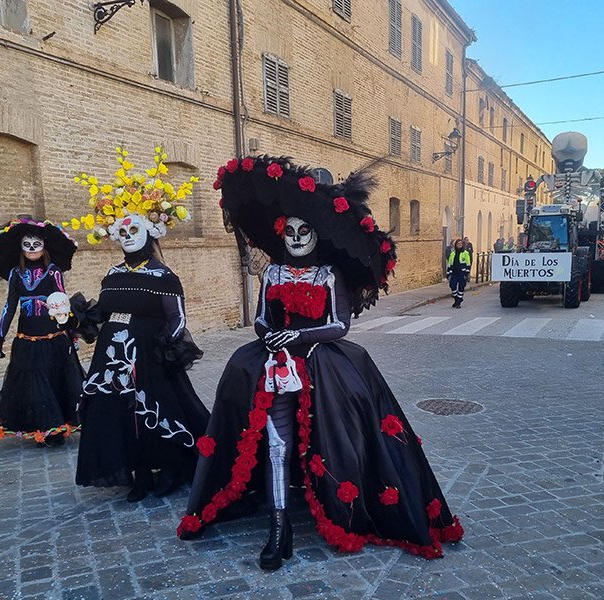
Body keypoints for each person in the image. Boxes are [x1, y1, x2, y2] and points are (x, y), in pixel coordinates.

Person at [178, 156, 463, 569]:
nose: (295, 238)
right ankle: (279, 527)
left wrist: (298, 335)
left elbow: (339, 325)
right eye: (289, 231)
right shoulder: (272, 273)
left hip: (322, 364)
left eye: (304, 231)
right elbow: (259, 318)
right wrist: (269, 334)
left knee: (334, 437)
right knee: (275, 441)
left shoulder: (328, 275)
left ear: (316, 235)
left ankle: (336, 504)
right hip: (274, 362)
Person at [69, 147, 210, 502]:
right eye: (124, 229)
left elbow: (177, 318)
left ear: (150, 232)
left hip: (148, 354)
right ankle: (138, 471)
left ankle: (169, 469)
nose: (130, 234)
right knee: (115, 410)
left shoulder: (163, 276)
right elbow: (102, 311)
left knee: (152, 409)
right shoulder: (113, 274)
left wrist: (166, 349)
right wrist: (74, 320)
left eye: (136, 228)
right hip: (111, 355)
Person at [0, 217, 83, 446]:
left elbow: (62, 303)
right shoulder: (15, 274)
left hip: (54, 336)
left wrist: (71, 332)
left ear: (44, 246)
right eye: (26, 244)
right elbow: (9, 306)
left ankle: (57, 428)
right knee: (34, 383)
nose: (31, 249)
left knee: (55, 378)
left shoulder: (53, 272)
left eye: (36, 244)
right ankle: (43, 428)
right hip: (26, 337)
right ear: (20, 247)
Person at [446, 239, 471, 308]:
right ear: (455, 245)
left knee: (461, 287)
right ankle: (456, 298)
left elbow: (468, 264)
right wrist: (448, 273)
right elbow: (449, 264)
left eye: (461, 243)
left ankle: (458, 302)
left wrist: (467, 273)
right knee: (452, 285)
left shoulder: (465, 253)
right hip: (454, 273)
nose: (459, 244)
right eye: (458, 243)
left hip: (462, 273)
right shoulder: (453, 253)